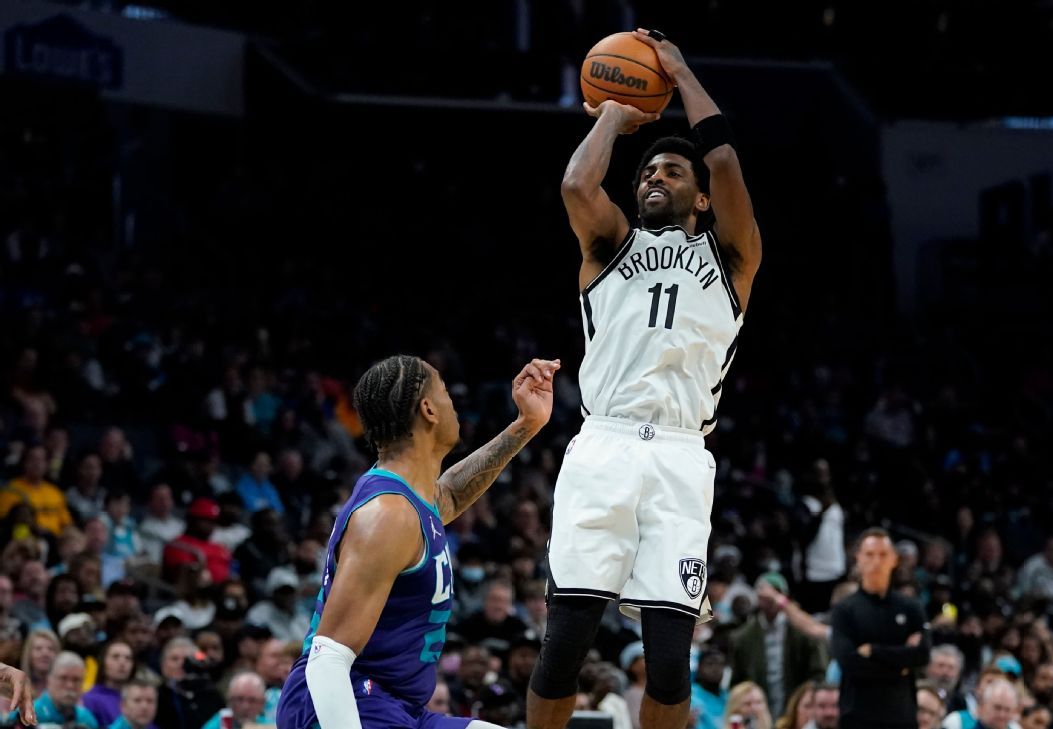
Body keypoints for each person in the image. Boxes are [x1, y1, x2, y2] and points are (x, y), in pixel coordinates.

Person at [529, 26, 762, 729]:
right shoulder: (608, 246)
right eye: (647, 172)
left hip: (682, 457)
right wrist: (612, 113)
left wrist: (682, 72)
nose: (654, 176)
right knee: (565, 641)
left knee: (669, 661)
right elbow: (577, 181)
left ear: (699, 200)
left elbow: (722, 159)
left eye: (671, 173)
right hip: (605, 443)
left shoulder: (731, 258)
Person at [276, 354, 559, 729]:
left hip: (397, 706)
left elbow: (452, 497)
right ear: (428, 409)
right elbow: (328, 658)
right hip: (346, 701)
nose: (453, 401)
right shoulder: (388, 515)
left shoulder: (409, 500)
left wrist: (526, 425)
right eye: (444, 390)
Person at [831, 529, 931, 729]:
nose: (876, 562)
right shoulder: (845, 609)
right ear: (857, 558)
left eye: (883, 555)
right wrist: (900, 663)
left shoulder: (910, 607)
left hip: (901, 715)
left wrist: (874, 651)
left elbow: (922, 655)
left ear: (894, 559)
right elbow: (849, 662)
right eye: (869, 554)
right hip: (857, 716)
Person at [729, 573, 826, 714]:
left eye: (775, 593)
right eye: (764, 593)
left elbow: (818, 673)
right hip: (756, 710)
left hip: (796, 707)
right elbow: (737, 681)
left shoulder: (802, 632)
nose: (769, 598)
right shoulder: (742, 637)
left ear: (784, 597)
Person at [9, 650, 98, 726]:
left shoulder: (86, 720)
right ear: (49, 679)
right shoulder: (26, 715)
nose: (70, 685)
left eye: (76, 680)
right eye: (63, 678)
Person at [82, 639, 135, 726]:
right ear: (103, 662)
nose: (122, 662)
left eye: (128, 658)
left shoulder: (139, 699)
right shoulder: (90, 699)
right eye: (115, 657)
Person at [200, 671, 274, 729]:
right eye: (239, 699)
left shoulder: (269, 725)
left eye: (252, 700)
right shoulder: (219, 724)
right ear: (229, 700)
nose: (245, 706)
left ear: (263, 702)